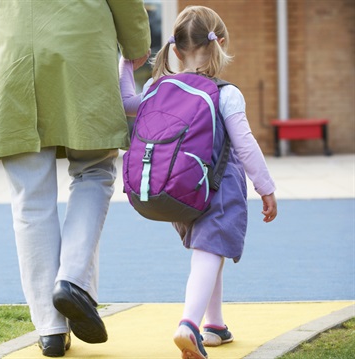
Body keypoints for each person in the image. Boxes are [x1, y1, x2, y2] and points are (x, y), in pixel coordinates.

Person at [0, 1, 151, 357]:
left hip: (9, 51)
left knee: (30, 196)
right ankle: (72, 280)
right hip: (82, 47)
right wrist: (136, 43)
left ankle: (51, 329)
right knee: (94, 171)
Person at [119, 6, 278, 359]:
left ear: (175, 50)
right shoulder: (225, 93)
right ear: (220, 43)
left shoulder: (157, 86)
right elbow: (245, 144)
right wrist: (265, 187)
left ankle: (214, 324)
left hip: (181, 188)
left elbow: (127, 103)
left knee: (210, 250)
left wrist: (126, 64)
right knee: (210, 251)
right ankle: (189, 324)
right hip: (219, 188)